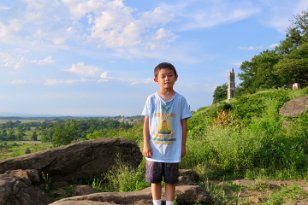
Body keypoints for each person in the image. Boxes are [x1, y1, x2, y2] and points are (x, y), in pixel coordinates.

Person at [142, 62, 192, 205]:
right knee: (155, 180)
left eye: (170, 75)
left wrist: (183, 146)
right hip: (154, 150)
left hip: (173, 150)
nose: (166, 79)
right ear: (155, 79)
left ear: (176, 77)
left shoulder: (181, 100)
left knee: (171, 181)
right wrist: (146, 144)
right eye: (162, 76)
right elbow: (146, 124)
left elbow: (184, 125)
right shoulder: (151, 99)